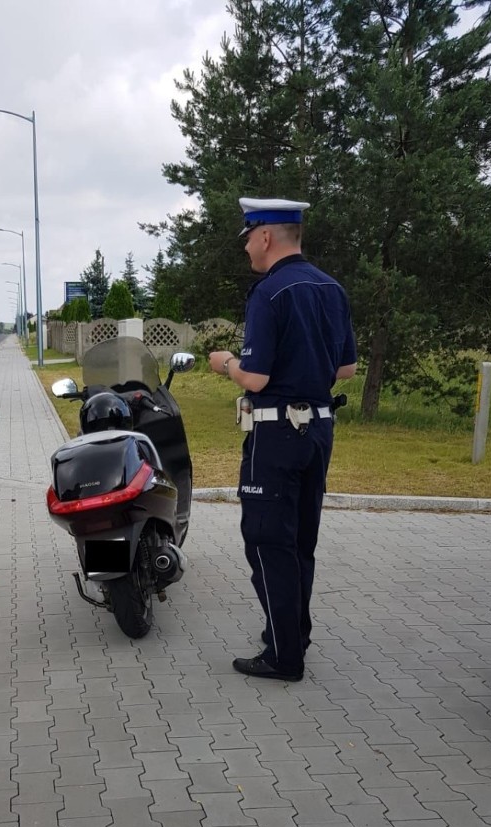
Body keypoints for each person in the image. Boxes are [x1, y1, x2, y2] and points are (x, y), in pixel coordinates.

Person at [209, 197, 357, 682]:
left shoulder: (269, 292)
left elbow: (254, 376)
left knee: (268, 541)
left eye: (249, 236)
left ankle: (283, 657)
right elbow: (347, 370)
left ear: (266, 236)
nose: (248, 246)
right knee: (300, 541)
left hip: (276, 433)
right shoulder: (331, 288)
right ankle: (291, 633)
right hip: (318, 429)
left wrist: (226, 362)